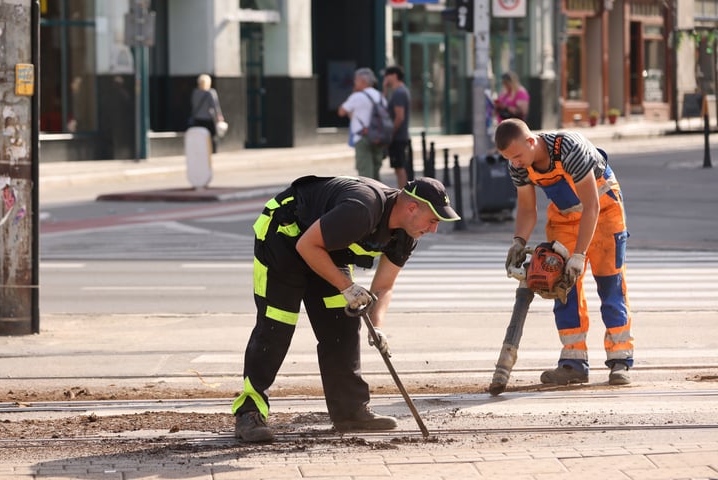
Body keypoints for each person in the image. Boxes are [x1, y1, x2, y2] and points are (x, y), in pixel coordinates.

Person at [232, 175, 461, 442]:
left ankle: (350, 412)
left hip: (325, 249)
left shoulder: (406, 235)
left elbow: (384, 287)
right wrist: (347, 287)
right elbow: (306, 245)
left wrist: (377, 327)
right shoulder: (362, 209)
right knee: (277, 323)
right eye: (433, 220)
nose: (434, 229)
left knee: (342, 323)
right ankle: (249, 412)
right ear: (412, 208)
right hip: (284, 237)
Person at [494, 118, 634, 387]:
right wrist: (518, 241)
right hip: (564, 217)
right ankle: (573, 363)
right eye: (509, 158)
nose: (515, 162)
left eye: (518, 155)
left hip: (603, 212)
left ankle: (620, 361)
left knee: (610, 284)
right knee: (560, 284)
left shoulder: (569, 149)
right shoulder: (518, 165)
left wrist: (579, 255)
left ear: (531, 141)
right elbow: (526, 208)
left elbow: (591, 206)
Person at [338, 68, 386, 180]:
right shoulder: (380, 96)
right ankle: (380, 194)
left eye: (356, 80)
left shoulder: (357, 96)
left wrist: (354, 93)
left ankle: (367, 195)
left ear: (362, 81)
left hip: (362, 136)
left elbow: (341, 111)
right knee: (376, 170)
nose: (354, 83)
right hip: (378, 136)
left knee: (365, 173)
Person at [383, 65, 412, 188]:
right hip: (399, 136)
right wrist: (384, 88)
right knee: (397, 167)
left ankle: (404, 195)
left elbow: (399, 117)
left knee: (399, 168)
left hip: (398, 137)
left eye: (387, 76)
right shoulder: (398, 91)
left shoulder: (399, 93)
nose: (386, 79)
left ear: (394, 76)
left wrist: (391, 133)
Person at [189, 74, 225, 153]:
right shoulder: (210, 92)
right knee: (210, 136)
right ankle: (210, 150)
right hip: (208, 118)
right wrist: (219, 116)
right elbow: (215, 106)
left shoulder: (195, 92)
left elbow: (193, 104)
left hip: (197, 118)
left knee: (199, 136)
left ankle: (200, 150)